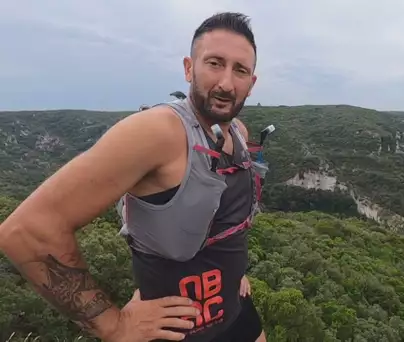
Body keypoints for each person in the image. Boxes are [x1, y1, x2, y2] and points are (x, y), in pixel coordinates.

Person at [0, 11, 267, 342]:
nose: (227, 83)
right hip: (174, 333)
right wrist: (113, 325)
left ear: (251, 83)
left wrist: (233, 273)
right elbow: (27, 231)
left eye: (240, 70)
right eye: (215, 63)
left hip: (238, 315)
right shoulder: (159, 132)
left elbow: (224, 217)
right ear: (189, 68)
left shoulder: (238, 133)